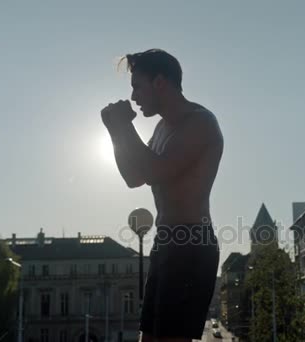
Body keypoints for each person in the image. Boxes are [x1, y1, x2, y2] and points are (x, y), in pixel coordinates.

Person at [101, 49, 223, 342]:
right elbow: (134, 177)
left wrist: (124, 124)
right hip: (166, 241)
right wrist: (115, 131)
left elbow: (156, 170)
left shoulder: (200, 122)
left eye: (136, 86)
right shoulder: (161, 127)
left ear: (159, 83)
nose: (133, 97)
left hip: (191, 242)